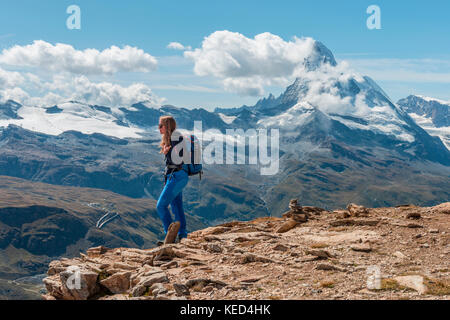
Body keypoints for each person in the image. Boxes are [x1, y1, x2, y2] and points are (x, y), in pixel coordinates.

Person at [156, 116, 189, 244]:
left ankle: (170, 236)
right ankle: (182, 236)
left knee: (161, 206)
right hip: (176, 176)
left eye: (160, 126)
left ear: (167, 126)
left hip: (177, 177)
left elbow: (178, 158)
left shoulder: (176, 137)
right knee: (176, 206)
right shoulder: (173, 138)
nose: (158, 128)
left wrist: (167, 153)